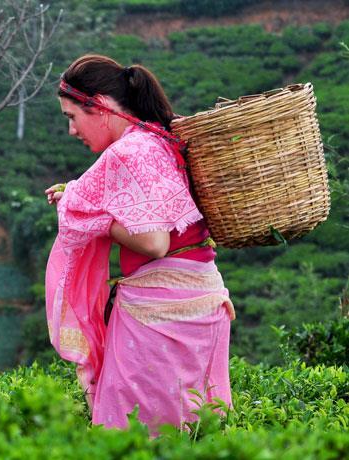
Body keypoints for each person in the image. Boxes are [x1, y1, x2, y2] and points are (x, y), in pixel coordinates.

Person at [44, 54, 235, 433]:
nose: (72, 130)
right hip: (200, 299)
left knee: (132, 435)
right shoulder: (155, 137)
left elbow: (152, 241)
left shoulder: (129, 151)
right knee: (193, 430)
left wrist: (90, 215)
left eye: (72, 117)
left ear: (98, 106)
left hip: (160, 314)